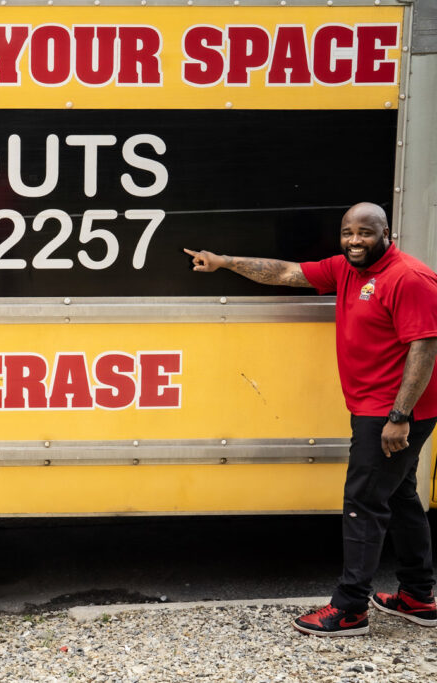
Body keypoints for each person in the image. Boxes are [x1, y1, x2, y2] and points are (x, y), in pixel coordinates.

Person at [185, 202, 437, 637]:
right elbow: (285, 273)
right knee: (399, 497)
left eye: (366, 233)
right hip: (377, 406)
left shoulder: (408, 277)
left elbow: (425, 347)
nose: (355, 240)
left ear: (387, 233)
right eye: (348, 232)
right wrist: (225, 262)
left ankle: (350, 609)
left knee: (363, 504)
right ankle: (418, 596)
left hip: (391, 411)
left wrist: (399, 416)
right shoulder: (346, 269)